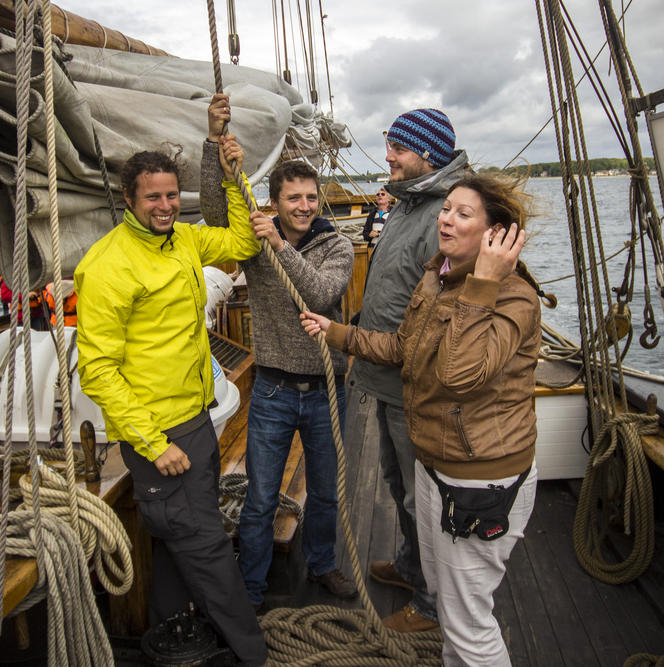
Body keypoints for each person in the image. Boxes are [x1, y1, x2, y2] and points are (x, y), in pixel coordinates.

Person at [302, 172, 539, 666]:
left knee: (469, 623)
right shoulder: (440, 274)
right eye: (445, 208)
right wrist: (339, 333)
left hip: (479, 480)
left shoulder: (513, 298)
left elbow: (458, 374)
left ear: (496, 234)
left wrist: (486, 282)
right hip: (436, 462)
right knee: (452, 611)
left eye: (462, 213)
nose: (446, 219)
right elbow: (404, 348)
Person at [74, 135, 267, 665]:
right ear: (130, 201)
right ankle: (252, 654)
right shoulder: (109, 265)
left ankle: (173, 638)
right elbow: (97, 370)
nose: (163, 206)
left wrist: (234, 177)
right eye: (152, 198)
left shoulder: (183, 239)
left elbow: (242, 244)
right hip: (161, 437)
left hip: (195, 421)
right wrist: (153, 443)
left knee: (178, 541)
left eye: (170, 196)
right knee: (205, 547)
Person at [199, 94, 357, 608]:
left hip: (324, 391)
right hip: (271, 388)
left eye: (311, 197)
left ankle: (322, 564)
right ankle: (251, 586)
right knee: (261, 498)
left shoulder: (336, 246)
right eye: (294, 199)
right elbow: (214, 209)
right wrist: (213, 143)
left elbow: (318, 295)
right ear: (274, 201)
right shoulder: (253, 241)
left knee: (328, 493)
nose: (305, 206)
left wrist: (282, 247)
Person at [345, 108, 469, 631]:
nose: (388, 156)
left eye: (397, 147)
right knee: (399, 486)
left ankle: (430, 601)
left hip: (414, 386)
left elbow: (446, 309)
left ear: (427, 155)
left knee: (424, 498)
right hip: (385, 378)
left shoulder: (445, 215)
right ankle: (409, 564)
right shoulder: (408, 203)